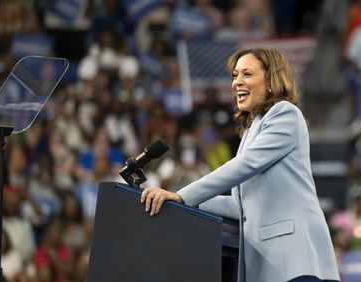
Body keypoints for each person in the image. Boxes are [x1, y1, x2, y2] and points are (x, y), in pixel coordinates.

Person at [141, 48, 340, 282]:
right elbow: (241, 207)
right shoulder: (250, 132)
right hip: (270, 268)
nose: (237, 82)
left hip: (294, 262)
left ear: (270, 80)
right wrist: (180, 200)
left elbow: (244, 165)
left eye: (247, 74)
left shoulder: (285, 114)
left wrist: (184, 196)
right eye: (235, 75)